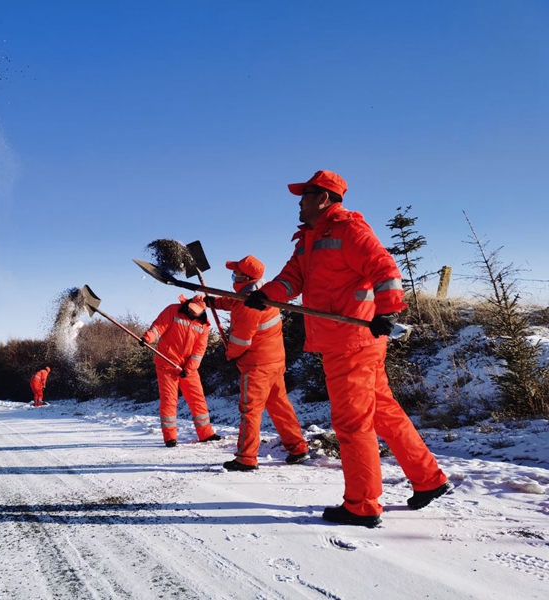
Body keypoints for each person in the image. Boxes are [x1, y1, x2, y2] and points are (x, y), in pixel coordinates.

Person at [245, 170, 450, 527]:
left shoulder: (349, 230)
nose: (299, 201)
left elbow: (386, 269)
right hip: (346, 341)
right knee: (382, 412)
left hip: (352, 341)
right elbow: (292, 278)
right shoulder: (309, 239)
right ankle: (428, 479)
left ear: (323, 197)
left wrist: (388, 310)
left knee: (352, 423)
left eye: (305, 195)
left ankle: (362, 504)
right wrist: (267, 296)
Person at [204, 255, 309, 471]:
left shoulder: (248, 305)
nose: (233, 276)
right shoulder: (261, 293)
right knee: (280, 406)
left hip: (256, 366)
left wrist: (231, 354)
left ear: (246, 276)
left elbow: (241, 340)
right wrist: (213, 302)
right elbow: (233, 301)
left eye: (236, 273)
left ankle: (246, 459)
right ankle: (298, 448)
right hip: (275, 362)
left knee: (250, 410)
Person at [140, 295, 222, 447]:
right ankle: (170, 437)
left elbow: (199, 351)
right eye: (191, 308)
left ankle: (206, 434)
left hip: (188, 368)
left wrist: (189, 368)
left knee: (197, 399)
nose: (192, 312)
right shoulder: (173, 310)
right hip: (166, 363)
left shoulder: (204, 325)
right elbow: (158, 327)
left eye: (195, 311)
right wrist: (147, 338)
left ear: (202, 312)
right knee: (169, 400)